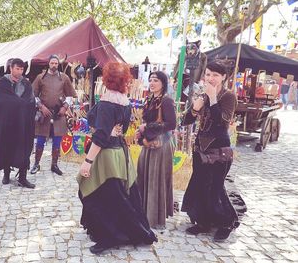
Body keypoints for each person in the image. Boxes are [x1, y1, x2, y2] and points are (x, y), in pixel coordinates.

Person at [77, 62, 157, 254]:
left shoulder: (107, 102)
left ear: (106, 79)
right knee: (118, 195)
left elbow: (102, 136)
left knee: (99, 194)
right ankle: (126, 232)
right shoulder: (124, 100)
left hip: (106, 155)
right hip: (120, 154)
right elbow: (123, 129)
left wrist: (87, 162)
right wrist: (112, 131)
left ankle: (109, 236)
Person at [181, 61, 239, 242]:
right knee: (200, 185)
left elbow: (222, 122)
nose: (210, 78)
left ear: (223, 77)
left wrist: (213, 98)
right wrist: (194, 108)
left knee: (215, 188)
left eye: (215, 75)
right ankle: (204, 222)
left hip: (219, 149)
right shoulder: (202, 95)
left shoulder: (228, 96)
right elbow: (186, 121)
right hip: (200, 148)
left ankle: (226, 223)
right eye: (207, 74)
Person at [136, 71, 177, 229]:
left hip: (161, 144)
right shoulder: (150, 100)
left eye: (156, 80)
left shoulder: (166, 101)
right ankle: (144, 213)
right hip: (149, 143)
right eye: (151, 80)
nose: (152, 83)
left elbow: (171, 124)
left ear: (163, 83)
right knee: (144, 175)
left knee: (155, 178)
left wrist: (147, 127)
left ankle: (154, 218)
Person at [30, 55, 77, 175]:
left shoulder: (64, 78)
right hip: (44, 114)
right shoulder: (41, 77)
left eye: (56, 63)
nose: (54, 65)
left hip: (58, 113)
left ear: (58, 64)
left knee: (57, 141)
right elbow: (33, 95)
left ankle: (54, 165)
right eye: (52, 63)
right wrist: (41, 107)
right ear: (48, 63)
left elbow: (70, 95)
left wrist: (65, 107)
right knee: (40, 140)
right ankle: (36, 164)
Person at [0, 58, 36, 188]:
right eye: (17, 68)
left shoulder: (26, 83)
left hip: (23, 122)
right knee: (7, 146)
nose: (20, 71)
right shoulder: (2, 83)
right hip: (7, 122)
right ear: (11, 68)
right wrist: (19, 103)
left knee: (24, 148)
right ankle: (6, 174)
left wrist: (22, 105)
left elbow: (30, 100)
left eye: (22, 69)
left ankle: (23, 177)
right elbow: (1, 100)